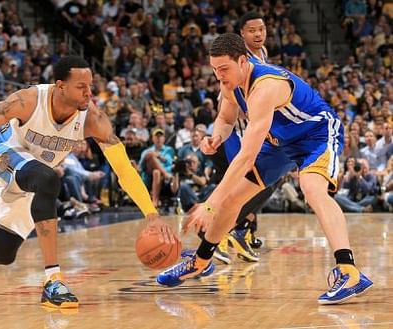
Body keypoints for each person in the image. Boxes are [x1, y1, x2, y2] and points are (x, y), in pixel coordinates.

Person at [0, 56, 176, 309]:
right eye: (81, 87)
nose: (89, 93)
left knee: (4, 252)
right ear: (60, 86)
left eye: (90, 85)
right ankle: (53, 280)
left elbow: (123, 168)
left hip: (32, 172)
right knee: (47, 177)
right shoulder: (29, 101)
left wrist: (151, 214)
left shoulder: (93, 119)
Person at [156, 33, 373, 305]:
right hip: (281, 141)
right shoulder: (231, 84)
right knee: (234, 196)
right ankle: (201, 261)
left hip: (316, 134)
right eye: (214, 70)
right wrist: (216, 137)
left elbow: (247, 156)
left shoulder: (265, 86)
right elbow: (225, 117)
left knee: (311, 188)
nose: (219, 75)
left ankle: (349, 270)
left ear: (243, 61)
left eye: (224, 69)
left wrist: (209, 204)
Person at [211, 11, 283, 265]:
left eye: (261, 29)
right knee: (253, 182)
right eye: (252, 30)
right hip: (235, 133)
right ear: (242, 33)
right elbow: (225, 102)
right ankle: (218, 233)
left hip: (253, 133)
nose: (258, 34)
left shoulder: (262, 56)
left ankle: (241, 231)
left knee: (267, 181)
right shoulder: (238, 60)